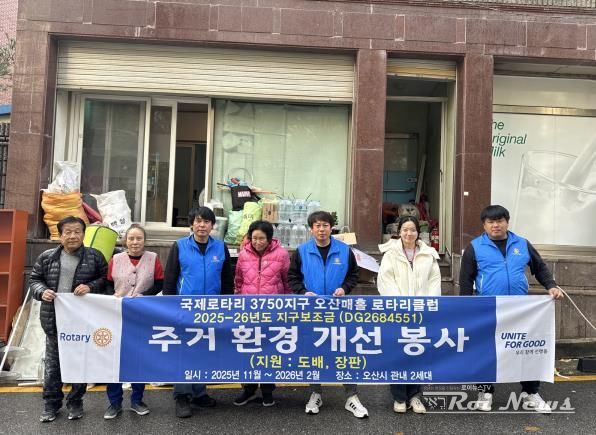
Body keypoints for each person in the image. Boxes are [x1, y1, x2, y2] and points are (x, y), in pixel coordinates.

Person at [459, 205, 563, 413]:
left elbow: (540, 268)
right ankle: (485, 392)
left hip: (520, 309)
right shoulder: (475, 247)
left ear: (507, 222)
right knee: (485, 351)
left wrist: (551, 286)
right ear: (484, 225)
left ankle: (530, 393)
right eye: (491, 222)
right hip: (488, 308)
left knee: (526, 349)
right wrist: (466, 307)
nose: (495, 225)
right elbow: (466, 279)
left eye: (500, 221)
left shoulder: (522, 244)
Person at [288, 211, 368, 419]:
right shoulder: (302, 251)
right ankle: (315, 393)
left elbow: (354, 275)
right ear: (311, 229)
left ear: (331, 228)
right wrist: (303, 293)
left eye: (325, 225)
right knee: (314, 351)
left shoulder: (344, 250)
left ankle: (351, 396)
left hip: (339, 310)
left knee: (345, 352)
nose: (321, 229)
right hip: (312, 311)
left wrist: (344, 288)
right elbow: (293, 277)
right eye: (317, 226)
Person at [30, 216, 108, 422]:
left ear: (83, 234)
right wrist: (42, 291)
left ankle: (75, 402)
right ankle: (51, 405)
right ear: (60, 235)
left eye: (77, 232)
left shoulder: (95, 257)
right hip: (53, 321)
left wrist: (90, 287)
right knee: (53, 366)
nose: (73, 236)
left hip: (82, 322)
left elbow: (106, 280)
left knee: (79, 363)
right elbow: (35, 279)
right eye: (68, 232)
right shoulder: (47, 257)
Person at [163, 206, 234, 418]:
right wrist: (169, 307)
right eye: (198, 221)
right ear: (191, 224)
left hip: (211, 309)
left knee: (204, 350)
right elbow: (170, 278)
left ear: (212, 226)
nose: (202, 225)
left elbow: (226, 280)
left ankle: (199, 392)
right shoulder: (180, 246)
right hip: (185, 309)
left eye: (206, 221)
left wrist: (226, 307)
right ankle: (182, 396)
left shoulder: (220, 247)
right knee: (184, 351)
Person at [377, 215, 441, 415]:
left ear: (418, 232)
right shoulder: (390, 254)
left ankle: (415, 396)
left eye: (412, 229)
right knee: (398, 354)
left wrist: (427, 305)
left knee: (418, 353)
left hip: (422, 313)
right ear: (399, 232)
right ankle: (399, 397)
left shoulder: (428, 254)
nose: (409, 233)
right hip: (398, 313)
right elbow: (385, 280)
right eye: (405, 229)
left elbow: (434, 281)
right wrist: (400, 305)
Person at [103, 224, 164, 419]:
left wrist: (145, 296)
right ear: (125, 241)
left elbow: (160, 282)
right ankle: (114, 402)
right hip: (117, 314)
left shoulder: (153, 258)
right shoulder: (116, 259)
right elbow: (107, 283)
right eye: (131, 238)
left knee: (140, 357)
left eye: (139, 238)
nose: (135, 242)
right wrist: (113, 296)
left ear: (144, 241)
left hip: (142, 315)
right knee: (115, 358)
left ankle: (137, 400)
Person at [233, 220, 291, 407]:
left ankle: (267, 390)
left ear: (269, 238)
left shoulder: (281, 254)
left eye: (262, 239)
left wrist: (288, 306)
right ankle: (248, 389)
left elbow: (287, 281)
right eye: (254, 238)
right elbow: (238, 280)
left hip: (272, 311)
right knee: (248, 349)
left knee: (269, 350)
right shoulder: (243, 254)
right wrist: (238, 302)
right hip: (248, 311)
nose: (257, 242)